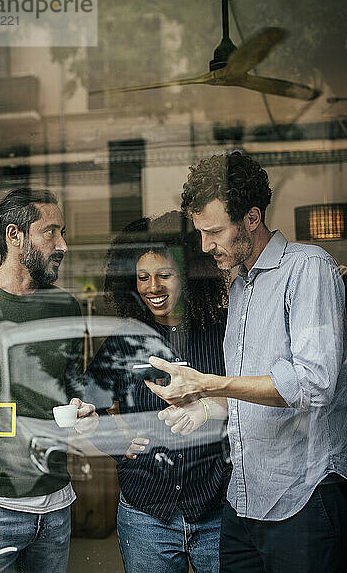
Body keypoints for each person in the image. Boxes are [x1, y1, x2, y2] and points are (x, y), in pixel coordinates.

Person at [146, 153, 347, 573]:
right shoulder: (239, 286)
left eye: (215, 231)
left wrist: (209, 384)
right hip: (244, 499)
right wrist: (206, 407)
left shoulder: (308, 269)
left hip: (303, 497)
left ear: (252, 217)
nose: (205, 246)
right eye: (201, 232)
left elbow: (312, 384)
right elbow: (251, 389)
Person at [0, 188, 95, 572]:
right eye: (51, 232)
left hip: (56, 509)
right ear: (15, 235)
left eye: (62, 232)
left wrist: (83, 408)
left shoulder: (65, 306)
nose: (62, 244)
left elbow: (72, 387)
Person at [80, 211, 229, 573]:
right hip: (146, 516)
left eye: (164, 275)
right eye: (143, 277)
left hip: (217, 509)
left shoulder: (223, 332)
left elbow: (247, 397)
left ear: (188, 276)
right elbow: (87, 404)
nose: (152, 288)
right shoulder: (125, 340)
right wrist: (112, 439)